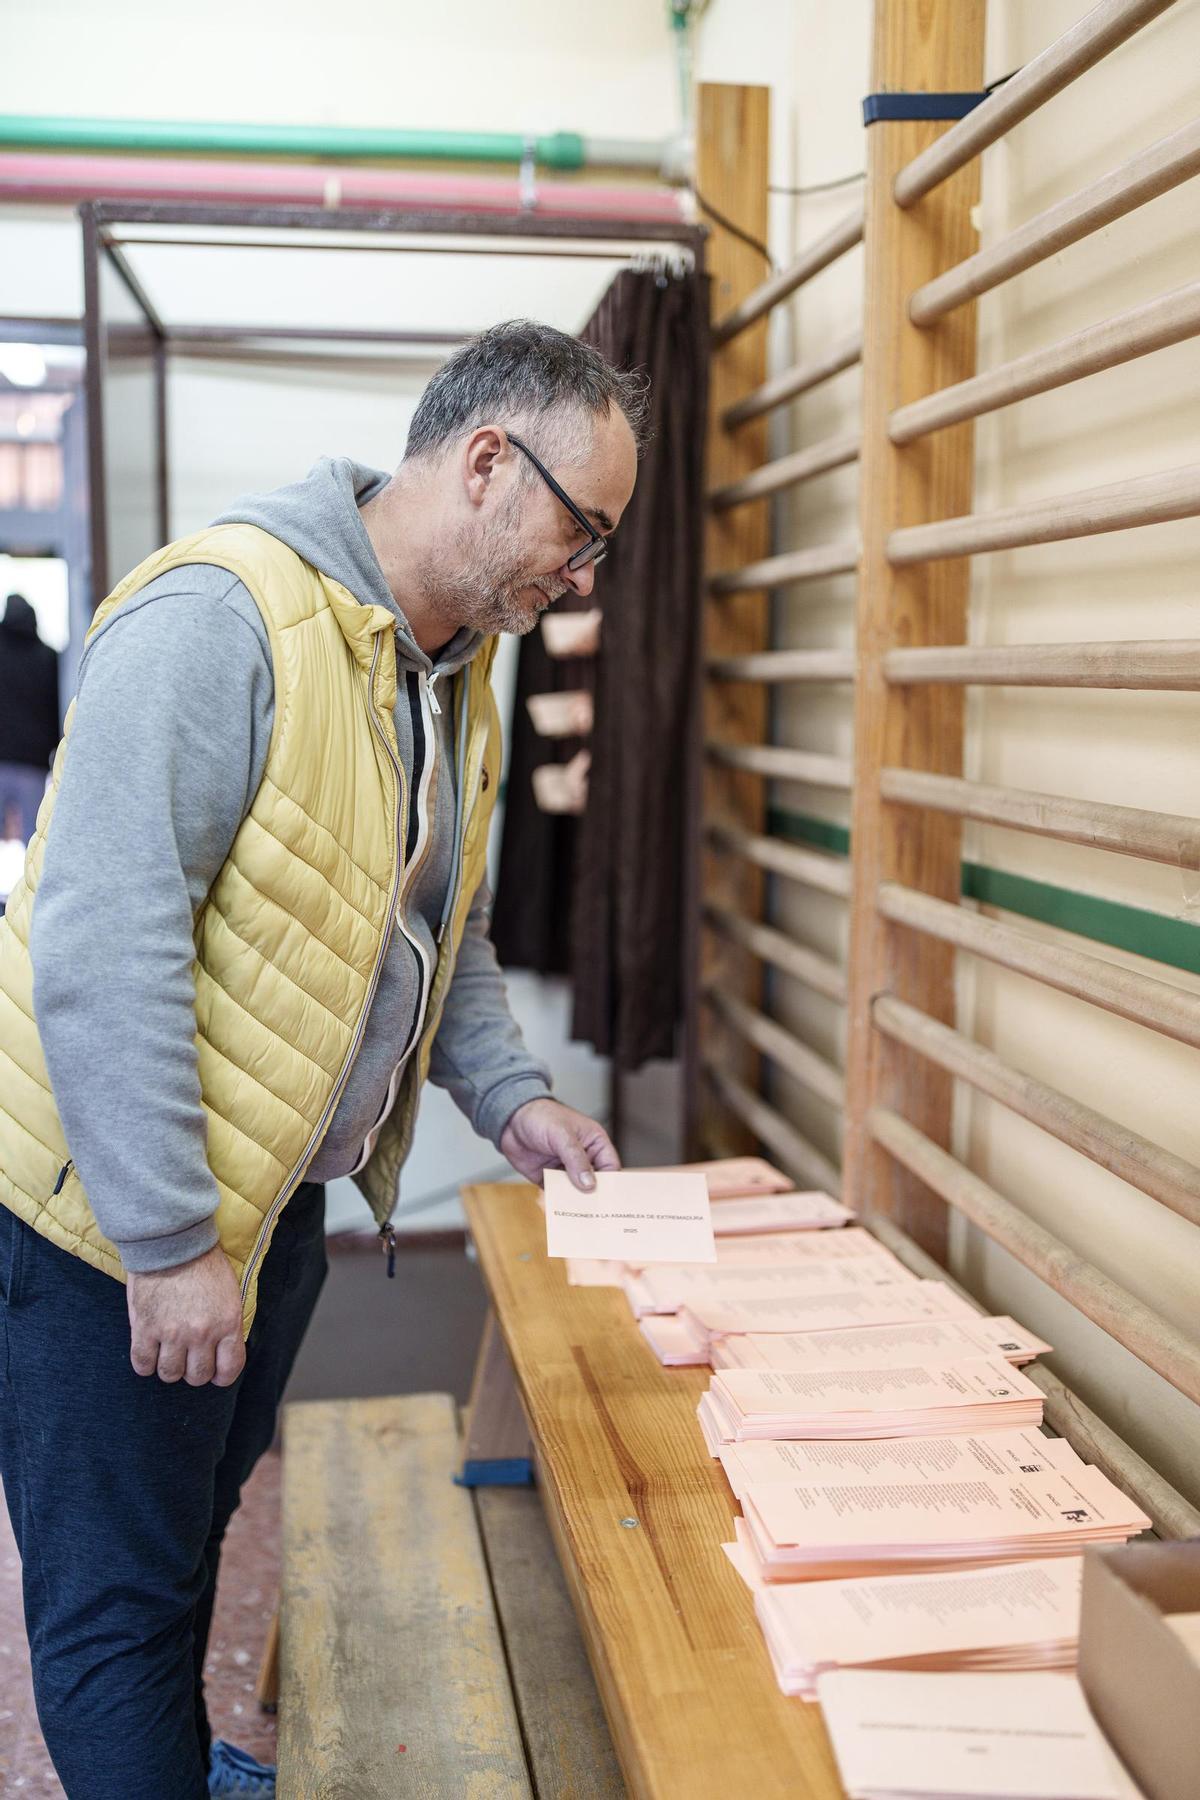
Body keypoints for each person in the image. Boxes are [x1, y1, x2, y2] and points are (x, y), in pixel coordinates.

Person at [0, 319, 643, 1799]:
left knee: (190, 1533)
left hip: (268, 1200)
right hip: (111, 1225)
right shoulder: (221, 617)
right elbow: (103, 939)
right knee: (116, 1608)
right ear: (488, 462)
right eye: (582, 529)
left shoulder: (450, 665)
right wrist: (167, 1239)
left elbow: (440, 928)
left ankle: (173, 1761)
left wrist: (517, 1096)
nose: (587, 574)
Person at [0, 590, 60, 845]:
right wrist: (54, 749)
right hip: (33, 762)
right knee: (35, 843)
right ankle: (32, 888)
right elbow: (54, 706)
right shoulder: (46, 656)